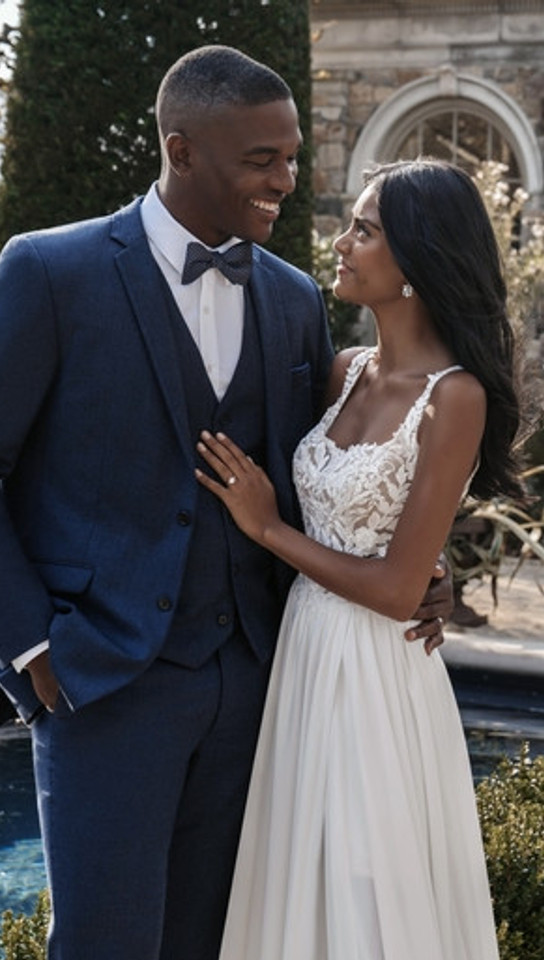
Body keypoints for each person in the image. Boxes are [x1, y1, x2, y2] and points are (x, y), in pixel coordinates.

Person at [0, 48, 450, 960]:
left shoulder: (290, 300)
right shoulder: (50, 271)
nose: (288, 178)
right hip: (103, 685)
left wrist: (417, 565)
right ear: (182, 149)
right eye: (262, 159)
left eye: (289, 156)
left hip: (255, 687)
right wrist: (36, 652)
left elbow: (322, 471)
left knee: (219, 942)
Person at [195, 158, 522, 960]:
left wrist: (268, 527)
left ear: (419, 259)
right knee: (297, 886)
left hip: (377, 673)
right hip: (303, 655)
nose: (340, 243)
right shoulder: (344, 372)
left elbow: (397, 586)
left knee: (366, 897)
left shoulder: (457, 397)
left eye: (364, 230)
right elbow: (371, 524)